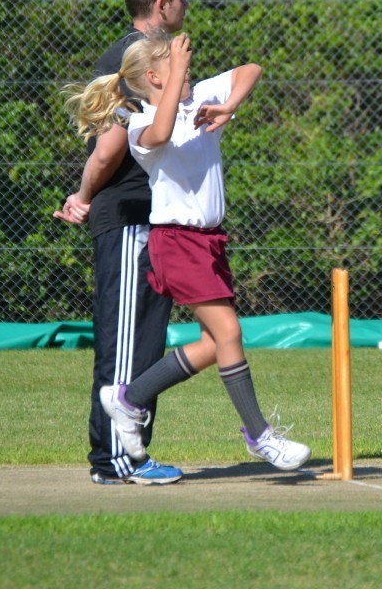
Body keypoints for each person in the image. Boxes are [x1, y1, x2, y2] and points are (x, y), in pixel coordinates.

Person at [66, 29, 312, 472]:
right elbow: (161, 134)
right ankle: (260, 436)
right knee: (229, 333)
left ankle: (129, 398)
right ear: (155, 77)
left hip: (209, 240)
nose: (188, 64)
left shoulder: (197, 96)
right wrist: (177, 71)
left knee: (214, 344)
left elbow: (251, 69)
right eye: (175, 62)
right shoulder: (139, 120)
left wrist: (229, 104)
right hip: (176, 241)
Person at [53, 0, 189, 485]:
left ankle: (133, 455)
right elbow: (109, 148)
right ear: (161, 5)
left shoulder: (148, 57)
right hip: (129, 218)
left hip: (151, 219)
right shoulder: (133, 60)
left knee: (146, 342)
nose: (185, 5)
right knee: (126, 343)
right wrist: (83, 196)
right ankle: (115, 460)